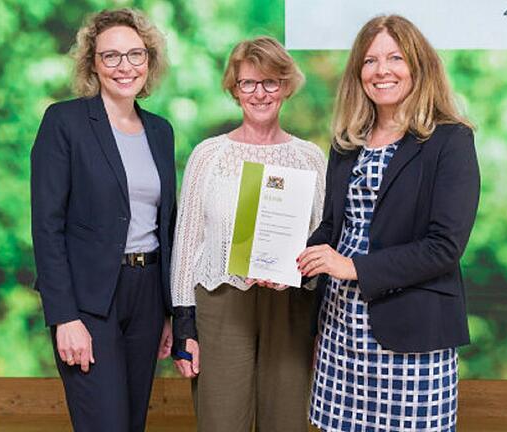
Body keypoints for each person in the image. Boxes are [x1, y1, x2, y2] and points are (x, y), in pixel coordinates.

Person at [297, 15, 480, 432]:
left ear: (419, 66)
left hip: (412, 332)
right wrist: (291, 264)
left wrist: (354, 267)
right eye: (369, 61)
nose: (382, 70)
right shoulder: (348, 141)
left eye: (395, 58)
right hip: (341, 330)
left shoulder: (450, 141)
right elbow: (332, 228)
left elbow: (444, 247)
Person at [170, 36, 326, 432]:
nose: (260, 93)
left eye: (270, 82)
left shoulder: (311, 157)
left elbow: (323, 240)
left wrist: (320, 319)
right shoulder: (209, 155)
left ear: (286, 86)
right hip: (221, 303)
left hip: (291, 305)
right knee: (222, 420)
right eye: (248, 83)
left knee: (288, 421)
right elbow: (186, 245)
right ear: (234, 89)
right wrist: (184, 327)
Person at [30, 9, 175, 432]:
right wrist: (64, 317)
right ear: (92, 62)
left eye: (134, 54)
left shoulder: (160, 131)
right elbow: (47, 227)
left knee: (130, 424)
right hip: (90, 302)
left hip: (147, 297)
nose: (124, 66)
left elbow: (166, 223)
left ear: (149, 60)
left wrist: (168, 313)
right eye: (110, 56)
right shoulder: (65, 122)